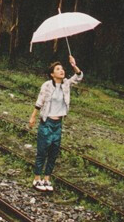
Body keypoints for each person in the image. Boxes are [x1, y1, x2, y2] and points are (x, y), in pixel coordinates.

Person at [28, 54, 83, 191]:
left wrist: (73, 65)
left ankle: (47, 179)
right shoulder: (46, 85)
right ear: (52, 74)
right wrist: (33, 117)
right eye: (58, 69)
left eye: (62, 69)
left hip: (58, 124)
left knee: (53, 152)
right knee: (42, 151)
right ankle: (37, 179)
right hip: (46, 122)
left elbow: (79, 77)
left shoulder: (66, 84)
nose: (62, 71)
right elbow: (39, 102)